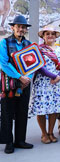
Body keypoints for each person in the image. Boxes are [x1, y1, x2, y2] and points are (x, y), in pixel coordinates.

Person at [29, 26, 60, 144]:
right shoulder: (39, 49)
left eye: (52, 34)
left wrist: (59, 76)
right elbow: (38, 66)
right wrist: (53, 76)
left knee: (54, 108)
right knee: (42, 109)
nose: (50, 36)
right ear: (43, 36)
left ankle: (51, 132)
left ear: (56, 36)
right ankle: (44, 133)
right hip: (43, 82)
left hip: (57, 82)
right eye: (47, 34)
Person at [0, 15, 34, 154]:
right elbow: (4, 63)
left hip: (25, 83)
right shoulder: (5, 43)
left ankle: (20, 140)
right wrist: (20, 76)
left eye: (23, 27)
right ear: (12, 27)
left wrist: (28, 77)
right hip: (10, 83)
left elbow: (34, 64)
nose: (21, 29)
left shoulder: (29, 44)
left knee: (22, 111)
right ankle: (8, 141)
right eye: (19, 26)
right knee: (7, 112)